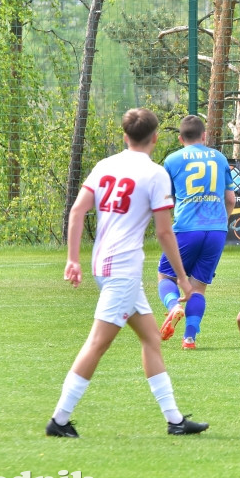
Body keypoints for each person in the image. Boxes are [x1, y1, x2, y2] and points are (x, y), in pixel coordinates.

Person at [47, 108, 208, 438]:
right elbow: (164, 233)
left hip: (106, 264)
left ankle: (175, 420)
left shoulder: (106, 165)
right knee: (97, 344)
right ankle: (59, 420)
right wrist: (181, 277)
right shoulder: (155, 174)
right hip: (121, 268)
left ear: (124, 136)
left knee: (151, 338)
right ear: (155, 138)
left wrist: (72, 259)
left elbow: (78, 210)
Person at [156, 115, 236, 350]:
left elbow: (165, 200)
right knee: (198, 287)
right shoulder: (220, 158)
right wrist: (222, 221)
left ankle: (173, 306)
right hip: (216, 230)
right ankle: (189, 338)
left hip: (187, 228)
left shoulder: (172, 160)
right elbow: (230, 198)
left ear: (181, 138)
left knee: (165, 276)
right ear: (204, 136)